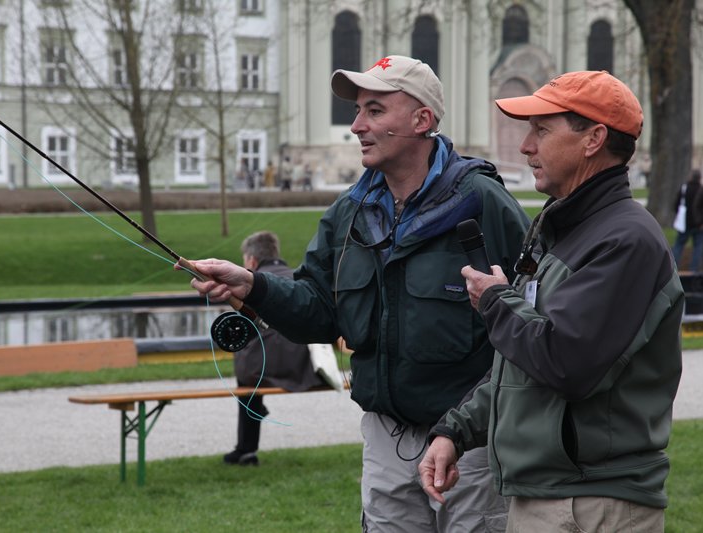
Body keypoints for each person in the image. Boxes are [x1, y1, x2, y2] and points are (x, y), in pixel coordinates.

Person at [177, 55, 530, 532]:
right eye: (358, 110)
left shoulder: (483, 202)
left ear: (422, 120)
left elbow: (530, 320)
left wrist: (473, 425)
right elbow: (318, 313)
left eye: (375, 110)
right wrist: (253, 286)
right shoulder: (349, 212)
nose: (356, 125)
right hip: (385, 434)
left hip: (473, 440)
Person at [419, 71, 684, 531]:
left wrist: (496, 302)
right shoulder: (565, 228)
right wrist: (456, 432)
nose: (525, 146)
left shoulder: (626, 240)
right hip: (554, 497)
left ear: (593, 139)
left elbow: (566, 362)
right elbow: (523, 367)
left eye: (541, 129)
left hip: (593, 504)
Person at [224, 231, 325, 466]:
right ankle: (246, 445)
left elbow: (241, 334)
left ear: (251, 261)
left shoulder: (249, 284)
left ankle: (246, 449)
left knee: (246, 372)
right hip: (303, 370)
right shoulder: (298, 280)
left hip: (259, 373)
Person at [671, 169, 703, 272]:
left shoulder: (684, 188)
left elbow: (676, 204)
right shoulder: (701, 189)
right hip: (697, 223)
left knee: (679, 245)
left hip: (684, 223)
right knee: (698, 246)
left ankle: (673, 268)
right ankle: (693, 269)